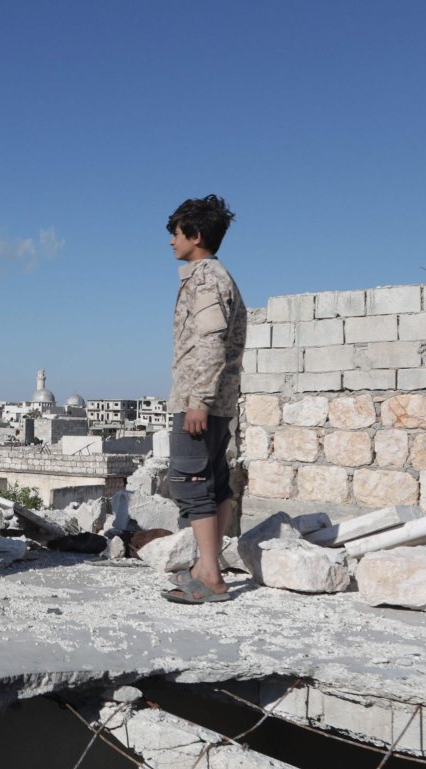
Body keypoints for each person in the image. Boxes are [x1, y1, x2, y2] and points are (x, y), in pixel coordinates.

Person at [161, 195, 246, 604]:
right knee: (213, 482)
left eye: (176, 234)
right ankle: (207, 566)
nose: (171, 242)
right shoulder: (214, 276)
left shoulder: (207, 279)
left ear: (196, 235)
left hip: (200, 400)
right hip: (215, 399)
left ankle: (209, 574)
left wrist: (199, 400)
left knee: (190, 483)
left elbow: (210, 342)